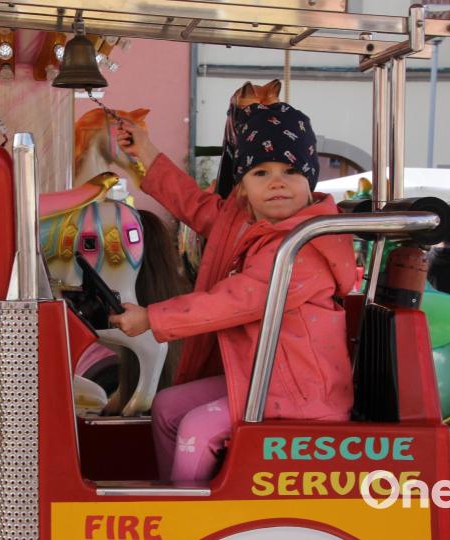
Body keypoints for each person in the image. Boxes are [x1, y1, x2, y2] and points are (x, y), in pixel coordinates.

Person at [108, 101, 357, 482]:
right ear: (243, 187)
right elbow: (193, 204)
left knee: (196, 429)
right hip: (262, 376)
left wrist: (150, 318)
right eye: (261, 172)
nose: (277, 182)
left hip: (298, 396)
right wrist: (146, 150)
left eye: (291, 171)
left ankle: (188, 522)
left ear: (310, 181)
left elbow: (235, 301)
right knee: (167, 408)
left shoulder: (306, 248)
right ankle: (169, 494)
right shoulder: (245, 223)